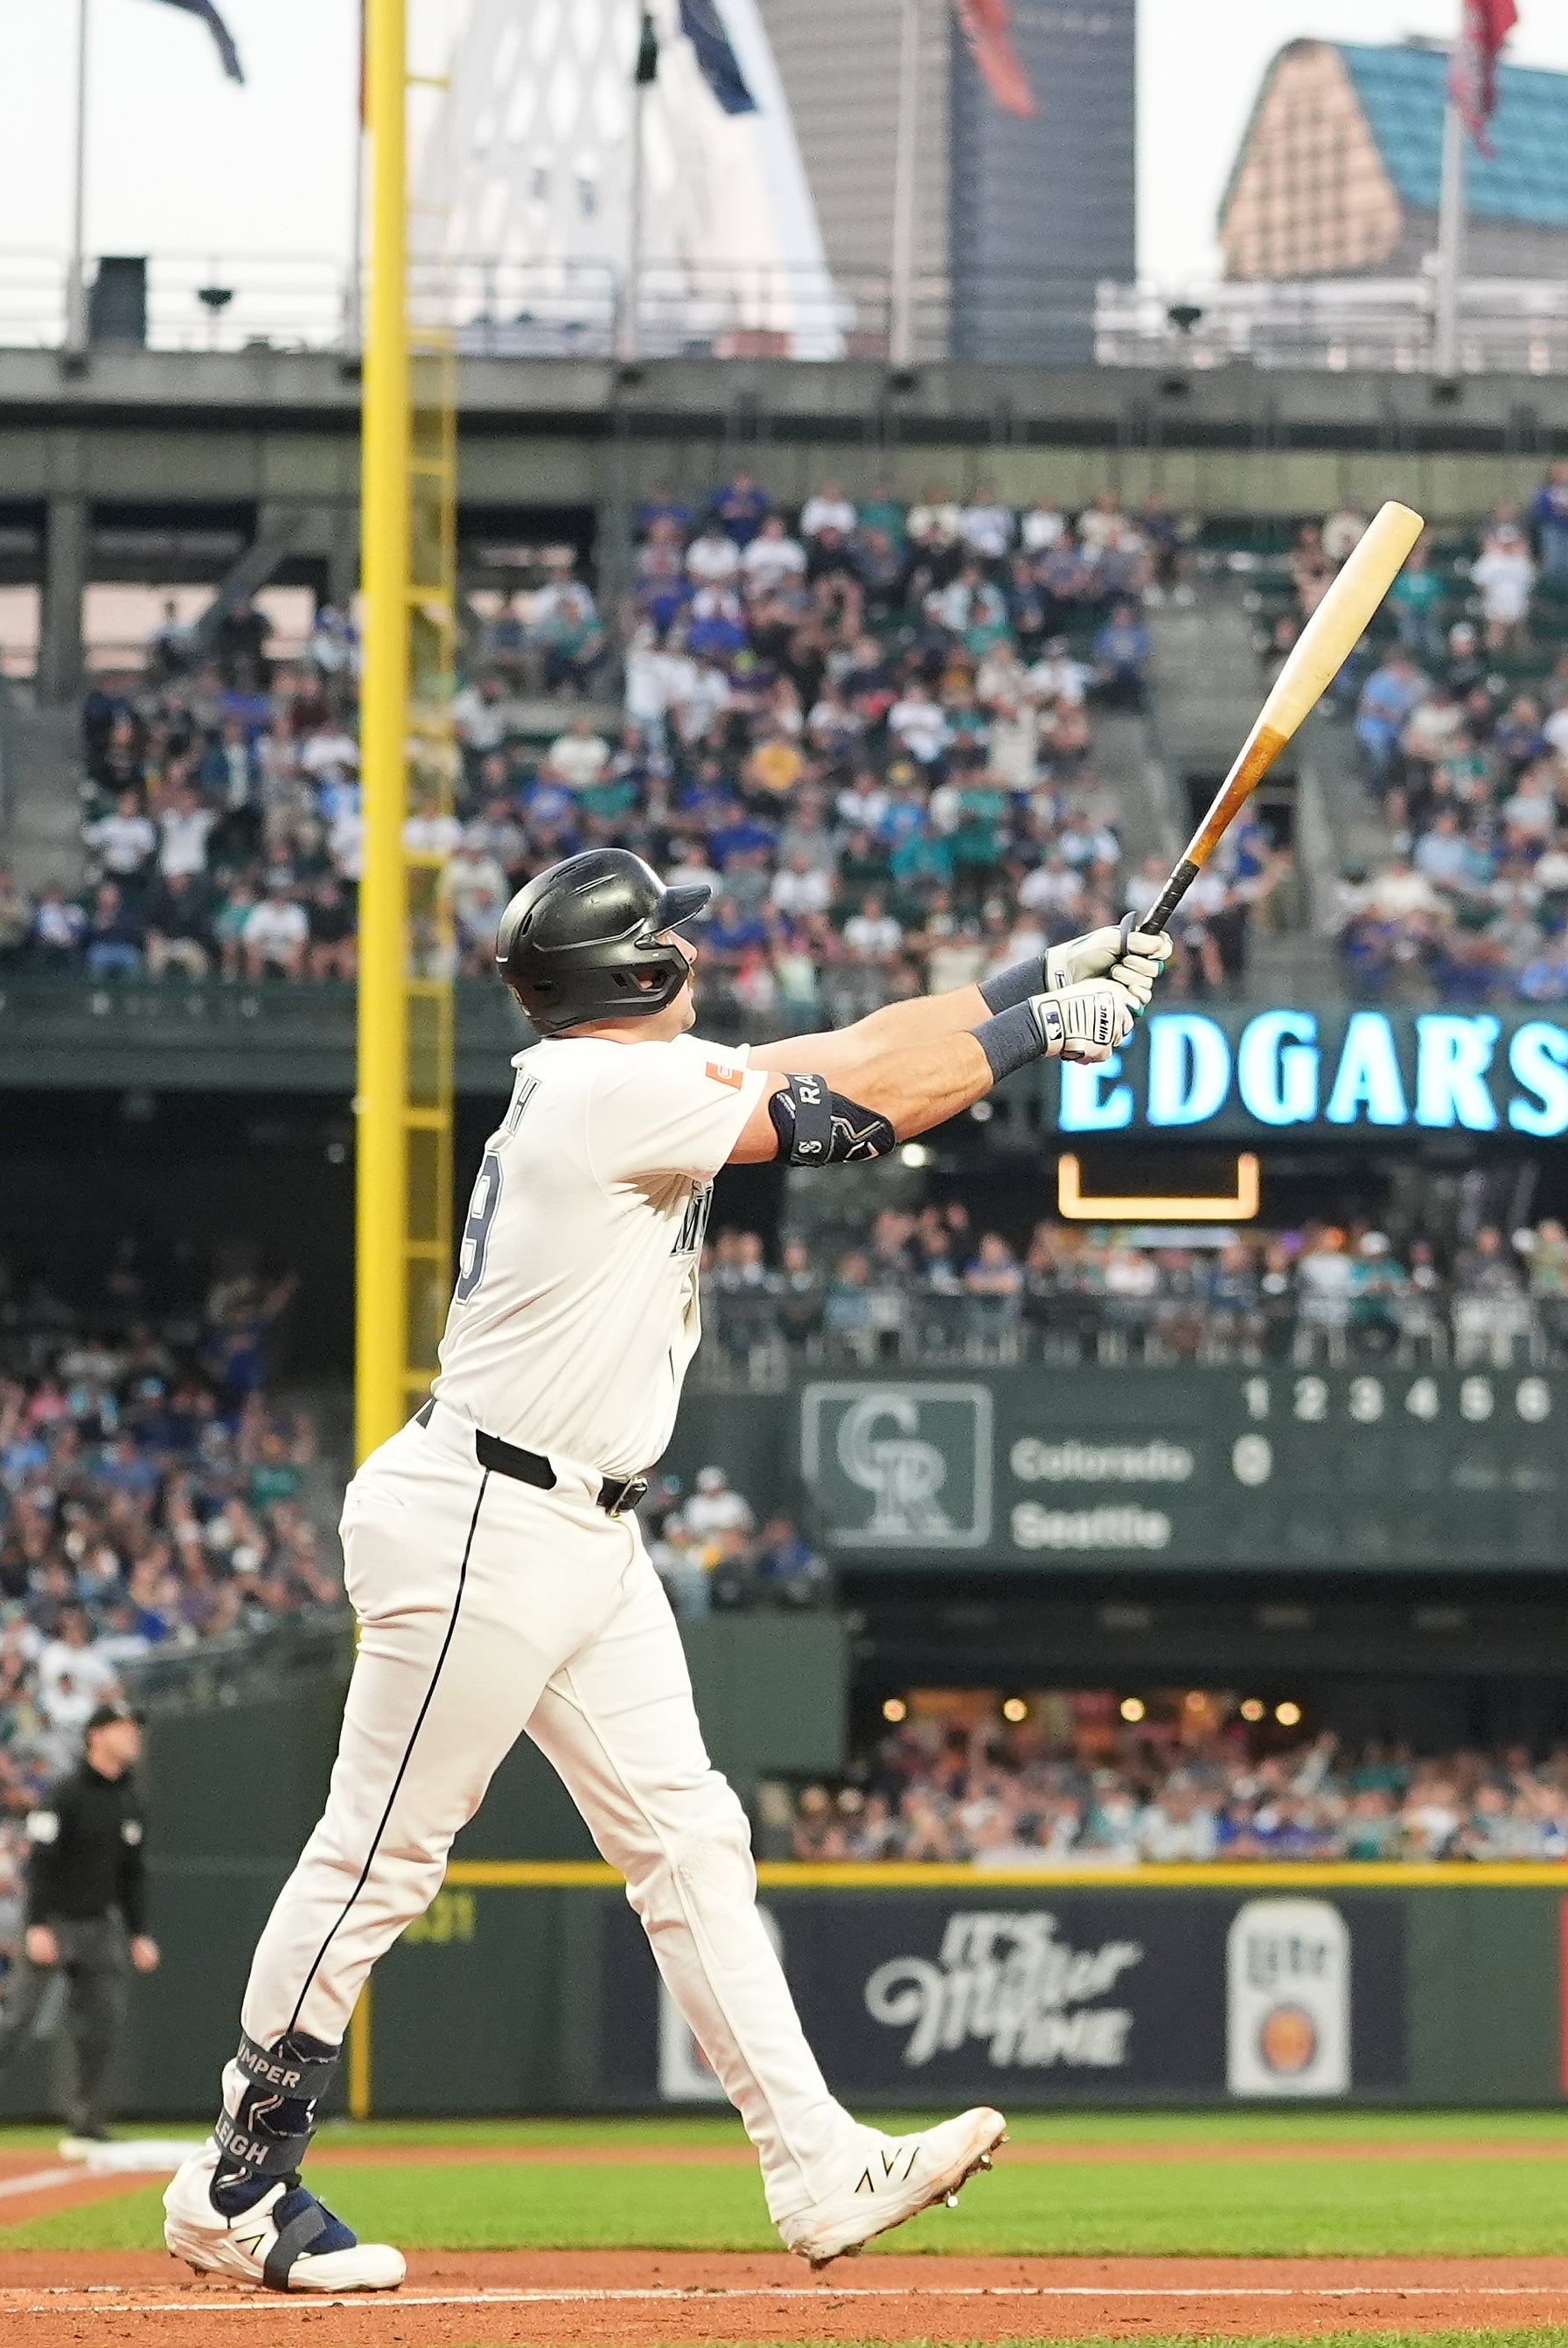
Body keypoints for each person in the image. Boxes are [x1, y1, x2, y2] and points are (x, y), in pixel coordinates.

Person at [162, 847, 1162, 2295]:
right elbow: (848, 1111)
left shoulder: (627, 1075)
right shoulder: (601, 1091)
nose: (693, 949)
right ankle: (238, 2186)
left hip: (579, 1527)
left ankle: (817, 2163)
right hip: (483, 1521)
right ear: (630, 969)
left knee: (688, 1842)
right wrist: (1029, 1040)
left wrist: (1034, 975)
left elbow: (849, 1047)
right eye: (669, 938)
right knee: (381, 1856)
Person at [0, 1704, 161, 2150]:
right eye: (123, 1728)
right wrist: (36, 1923)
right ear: (96, 1736)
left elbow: (131, 1876)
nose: (133, 1737)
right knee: (16, 2020)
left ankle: (86, 2120)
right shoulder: (65, 1793)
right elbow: (40, 1864)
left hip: (101, 1927)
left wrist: (138, 1933)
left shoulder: (129, 1800)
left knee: (101, 2025)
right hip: (56, 1922)